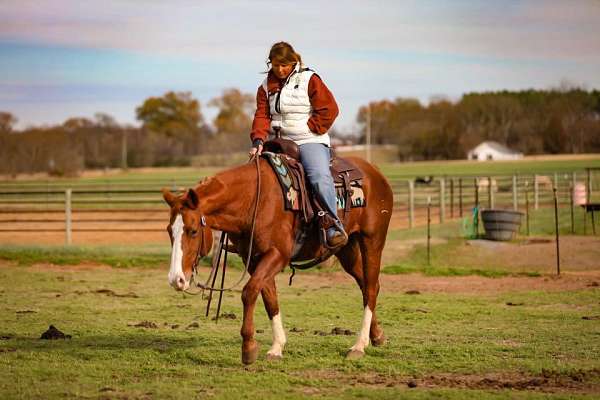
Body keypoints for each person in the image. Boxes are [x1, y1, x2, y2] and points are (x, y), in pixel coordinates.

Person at [249, 41, 348, 248]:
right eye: (276, 65)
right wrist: (258, 140)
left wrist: (312, 128)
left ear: (293, 61)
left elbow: (330, 109)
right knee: (255, 176)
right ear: (271, 64)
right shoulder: (265, 87)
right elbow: (262, 115)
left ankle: (333, 226)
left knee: (318, 176)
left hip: (309, 140)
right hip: (278, 142)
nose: (280, 69)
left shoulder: (309, 79)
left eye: (284, 65)